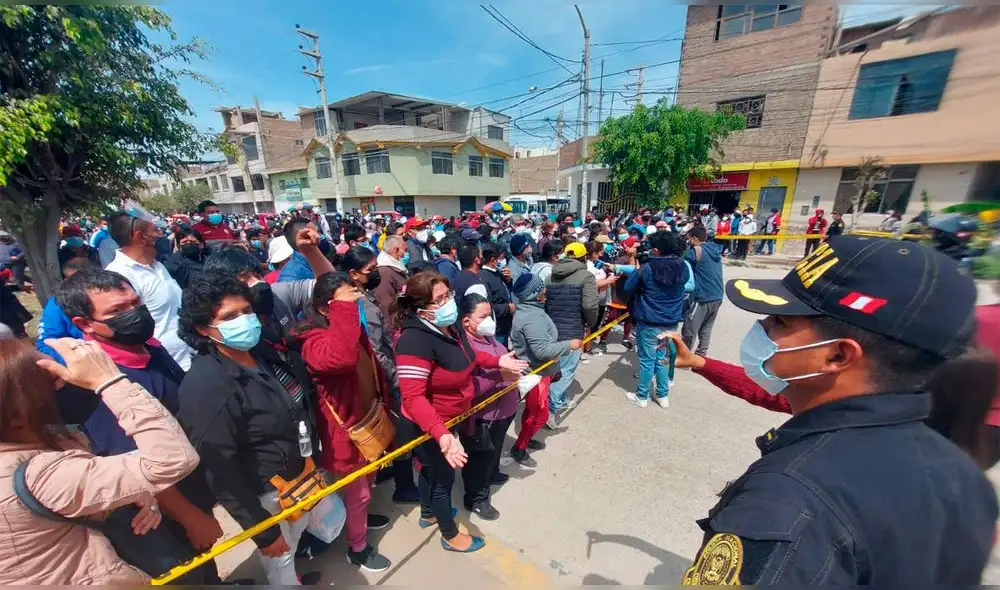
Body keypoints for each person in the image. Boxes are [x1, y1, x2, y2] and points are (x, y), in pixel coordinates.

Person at [680, 236, 996, 585]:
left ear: (837, 356)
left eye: (781, 322)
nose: (763, 326)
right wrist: (700, 363)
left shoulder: (786, 502)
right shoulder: (964, 476)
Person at [54, 269, 225, 583]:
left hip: (191, 483)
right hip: (158, 510)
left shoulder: (148, 347)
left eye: (135, 303)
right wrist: (190, 518)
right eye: (117, 311)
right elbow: (139, 465)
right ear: (85, 324)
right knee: (186, 573)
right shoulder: (95, 380)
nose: (133, 314)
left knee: (204, 563)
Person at [0, 337, 199, 585]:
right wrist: (108, 380)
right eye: (55, 379)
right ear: (16, 416)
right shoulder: (40, 475)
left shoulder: (32, 446)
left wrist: (129, 493)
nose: (71, 380)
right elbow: (172, 459)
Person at [176, 275, 328, 585]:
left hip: (298, 478)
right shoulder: (206, 386)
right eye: (230, 317)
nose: (244, 320)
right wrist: (262, 530)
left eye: (246, 311)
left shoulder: (263, 354)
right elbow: (220, 471)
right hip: (266, 495)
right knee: (280, 558)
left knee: (294, 545)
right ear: (203, 329)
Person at [393, 271, 526, 553]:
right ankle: (451, 536)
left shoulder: (450, 327)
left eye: (447, 295)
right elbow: (414, 398)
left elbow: (470, 354)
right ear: (423, 311)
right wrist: (442, 435)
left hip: (447, 417)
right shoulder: (413, 343)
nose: (448, 302)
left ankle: (428, 513)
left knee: (431, 473)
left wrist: (497, 360)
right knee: (442, 480)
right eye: (439, 299)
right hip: (428, 423)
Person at [293, 272, 393, 572]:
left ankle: (357, 518)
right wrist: (345, 311)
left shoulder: (344, 328)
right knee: (358, 491)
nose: (357, 301)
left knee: (367, 484)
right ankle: (357, 548)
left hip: (366, 420)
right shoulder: (313, 341)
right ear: (326, 308)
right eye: (350, 298)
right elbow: (343, 358)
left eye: (356, 295)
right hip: (344, 432)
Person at [341, 247, 420, 504]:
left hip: (383, 377)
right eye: (370, 270)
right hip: (383, 380)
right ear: (353, 274)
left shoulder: (363, 295)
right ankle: (405, 487)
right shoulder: (357, 304)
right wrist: (397, 379)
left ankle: (391, 472)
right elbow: (376, 351)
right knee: (401, 432)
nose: (376, 273)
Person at [105, 210, 193, 370]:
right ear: (141, 236)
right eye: (156, 231)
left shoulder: (157, 265)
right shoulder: (120, 276)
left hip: (191, 356)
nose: (162, 235)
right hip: (168, 367)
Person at [457, 292, 518, 520]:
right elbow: (468, 386)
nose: (490, 320)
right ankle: (476, 498)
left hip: (503, 410)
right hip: (483, 415)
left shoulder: (487, 338)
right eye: (483, 316)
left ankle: (492, 473)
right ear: (466, 321)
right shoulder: (462, 347)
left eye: (490, 314)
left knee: (494, 449)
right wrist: (501, 375)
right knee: (478, 458)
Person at [509, 273, 581, 465]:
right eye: (541, 289)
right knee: (540, 414)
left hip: (539, 372)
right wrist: (569, 345)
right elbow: (542, 351)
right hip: (537, 373)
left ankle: (526, 436)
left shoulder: (528, 310)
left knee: (532, 411)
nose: (545, 291)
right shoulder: (533, 318)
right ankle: (519, 448)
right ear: (534, 294)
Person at [623, 231, 691, 409]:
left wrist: (638, 270)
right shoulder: (683, 266)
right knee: (661, 358)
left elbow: (628, 287)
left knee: (647, 360)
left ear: (656, 250)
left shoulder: (647, 268)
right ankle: (662, 395)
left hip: (649, 321)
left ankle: (642, 396)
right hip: (671, 322)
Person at [545, 242, 599, 423]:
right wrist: (591, 324)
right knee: (566, 371)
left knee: (552, 369)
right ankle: (550, 410)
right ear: (584, 257)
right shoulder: (587, 277)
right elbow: (590, 305)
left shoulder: (551, 275)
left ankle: (554, 401)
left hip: (551, 331)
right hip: (572, 330)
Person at [682, 227, 724, 356]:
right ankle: (701, 354)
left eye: (688, 238)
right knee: (706, 327)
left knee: (690, 327)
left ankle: (685, 355)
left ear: (694, 238)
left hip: (702, 296)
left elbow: (684, 267)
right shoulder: (714, 250)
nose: (687, 241)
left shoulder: (695, 251)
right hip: (717, 295)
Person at [585, 241, 622, 356]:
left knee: (595, 322)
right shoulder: (587, 266)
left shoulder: (596, 263)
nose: (601, 255)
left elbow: (604, 269)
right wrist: (607, 281)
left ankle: (588, 344)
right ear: (594, 253)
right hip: (592, 298)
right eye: (600, 252)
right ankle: (586, 348)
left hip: (601, 298)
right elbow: (589, 283)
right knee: (588, 325)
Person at [478, 242, 515, 346]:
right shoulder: (484, 278)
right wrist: (507, 307)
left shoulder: (498, 272)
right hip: (497, 328)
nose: (503, 261)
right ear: (493, 260)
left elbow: (505, 291)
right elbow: (487, 307)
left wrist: (508, 280)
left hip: (505, 323)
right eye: (501, 258)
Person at [373, 235, 409, 328]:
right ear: (396, 250)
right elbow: (385, 305)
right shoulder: (385, 272)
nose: (406, 254)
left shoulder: (396, 268)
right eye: (405, 250)